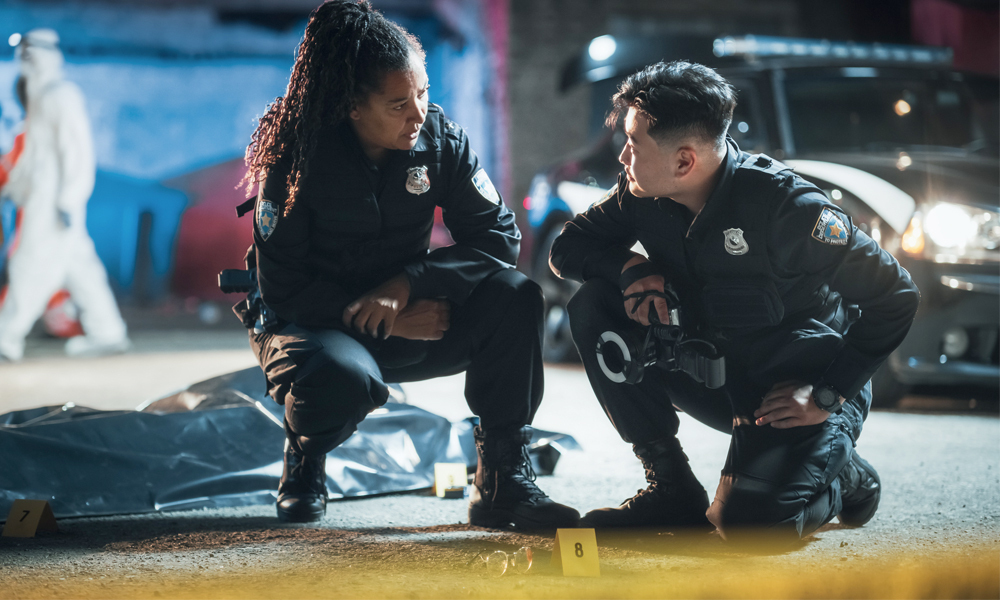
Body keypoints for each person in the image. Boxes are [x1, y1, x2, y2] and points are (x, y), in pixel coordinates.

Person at [235, 0, 579, 528]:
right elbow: (282, 288)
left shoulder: (440, 141)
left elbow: (498, 239)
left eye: (422, 93)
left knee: (516, 295)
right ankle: (305, 452)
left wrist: (411, 283)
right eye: (398, 104)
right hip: (312, 325)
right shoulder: (296, 158)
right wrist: (388, 315)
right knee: (340, 379)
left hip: (412, 312)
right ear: (352, 105)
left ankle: (502, 476)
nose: (418, 113)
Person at [550, 61, 920, 542]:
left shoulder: (790, 210)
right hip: (716, 375)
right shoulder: (639, 193)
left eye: (633, 143)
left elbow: (897, 296)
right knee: (594, 303)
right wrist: (631, 269)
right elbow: (567, 249)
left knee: (748, 528)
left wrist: (828, 395)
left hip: (796, 391)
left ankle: (845, 476)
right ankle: (670, 485)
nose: (622, 157)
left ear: (684, 161)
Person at [0, 29, 129, 361]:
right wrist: (14, 188)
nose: (23, 60)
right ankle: (108, 331)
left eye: (28, 53)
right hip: (44, 200)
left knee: (29, 266)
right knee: (80, 267)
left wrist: (70, 198)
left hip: (54, 204)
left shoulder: (61, 94)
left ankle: (6, 338)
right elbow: (33, 157)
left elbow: (77, 151)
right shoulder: (40, 98)